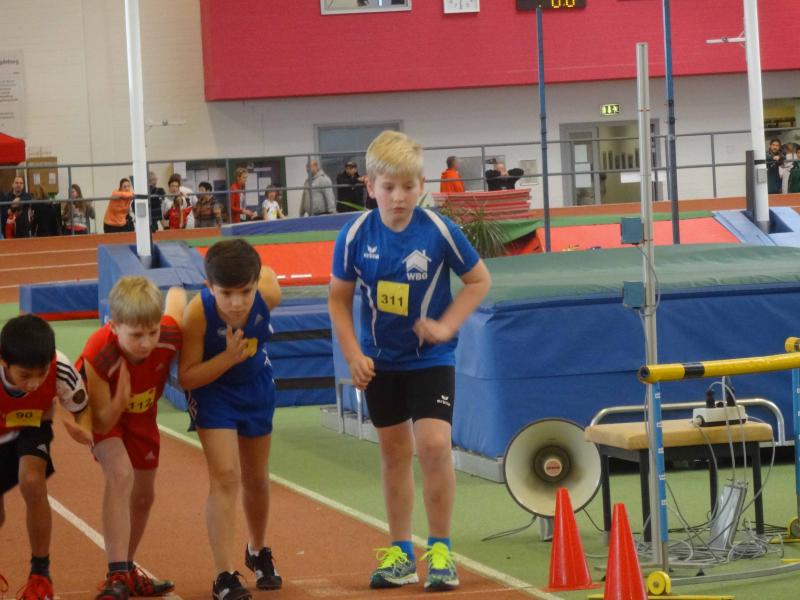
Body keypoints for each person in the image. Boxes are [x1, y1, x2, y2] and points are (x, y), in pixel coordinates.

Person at [328, 130, 491, 591]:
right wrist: (354, 355)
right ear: (370, 186)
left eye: (407, 186)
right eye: (388, 187)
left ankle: (440, 550)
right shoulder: (355, 235)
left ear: (422, 185)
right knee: (394, 453)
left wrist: (446, 326)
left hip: (430, 358)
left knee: (435, 445)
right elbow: (337, 300)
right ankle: (401, 553)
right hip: (379, 362)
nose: (398, 197)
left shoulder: (439, 231)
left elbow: (479, 281)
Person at [179, 239, 282, 600]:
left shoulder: (269, 292)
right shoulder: (198, 314)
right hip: (213, 390)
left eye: (245, 292)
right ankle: (223, 575)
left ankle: (258, 550)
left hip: (256, 386)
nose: (236, 303)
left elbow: (266, 275)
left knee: (257, 478)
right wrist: (227, 359)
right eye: (226, 293)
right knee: (225, 476)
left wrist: (240, 359)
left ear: (256, 284)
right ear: (209, 286)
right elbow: (187, 377)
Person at [76, 277, 186, 600]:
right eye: (136, 335)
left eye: (152, 332)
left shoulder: (168, 335)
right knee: (121, 474)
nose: (146, 343)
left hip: (142, 417)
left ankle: (127, 566)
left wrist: (177, 292)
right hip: (104, 413)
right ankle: (117, 575)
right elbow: (101, 421)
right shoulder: (100, 351)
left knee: (143, 497)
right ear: (113, 326)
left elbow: (177, 296)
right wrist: (119, 400)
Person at [0, 315, 90, 600]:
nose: (35, 383)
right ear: (4, 362)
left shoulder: (60, 368)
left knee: (32, 481)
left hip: (32, 426)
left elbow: (83, 410)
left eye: (41, 373)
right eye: (25, 375)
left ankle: (40, 575)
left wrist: (81, 428)